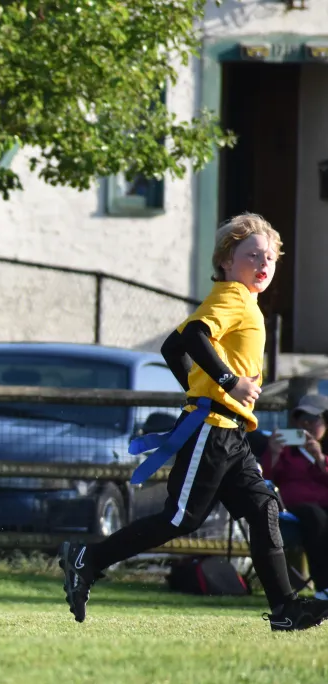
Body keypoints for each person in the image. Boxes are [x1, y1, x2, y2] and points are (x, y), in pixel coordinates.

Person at [60, 213, 328, 631]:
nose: (263, 264)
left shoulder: (244, 302)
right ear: (225, 261)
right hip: (212, 431)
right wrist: (225, 383)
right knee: (180, 519)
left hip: (231, 434)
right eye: (251, 255)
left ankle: (286, 609)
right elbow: (192, 338)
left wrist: (202, 387)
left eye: (270, 257)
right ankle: (87, 558)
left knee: (264, 508)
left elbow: (171, 346)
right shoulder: (233, 296)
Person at [262, 393, 328, 601]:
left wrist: (320, 459)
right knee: (316, 518)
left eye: (313, 420)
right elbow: (267, 478)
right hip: (297, 506)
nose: (306, 425)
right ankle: (324, 586)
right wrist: (273, 453)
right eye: (301, 420)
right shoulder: (285, 450)